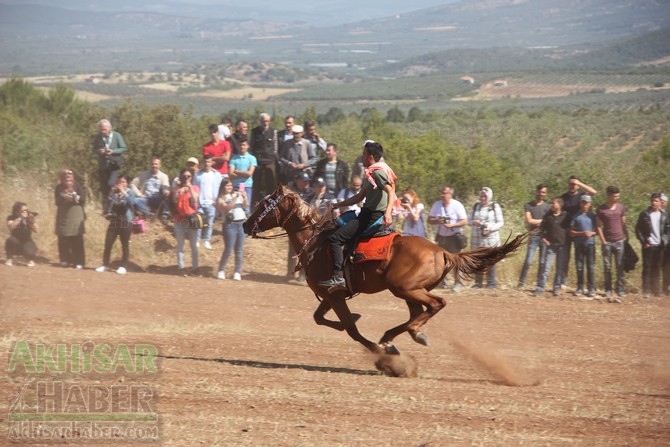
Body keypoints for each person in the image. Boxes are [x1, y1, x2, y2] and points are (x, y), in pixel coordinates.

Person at [319, 141, 397, 289]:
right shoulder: (372, 172)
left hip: (370, 217)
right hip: (365, 213)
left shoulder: (377, 173)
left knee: (335, 239)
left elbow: (390, 191)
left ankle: (338, 277)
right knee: (341, 223)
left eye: (364, 154)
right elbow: (359, 198)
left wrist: (388, 213)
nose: (362, 157)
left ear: (371, 157)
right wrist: (337, 205)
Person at [428, 185, 468, 292]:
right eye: (441, 192)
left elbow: (464, 221)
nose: (442, 195)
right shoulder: (437, 205)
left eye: (444, 193)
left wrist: (452, 225)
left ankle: (458, 283)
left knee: (456, 261)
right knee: (441, 261)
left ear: (450, 194)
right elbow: (429, 220)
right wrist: (437, 221)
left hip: (454, 237)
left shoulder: (457, 205)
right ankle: (442, 282)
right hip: (441, 237)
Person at [559, 175, 597, 288]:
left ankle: (584, 285)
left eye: (574, 184)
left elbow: (594, 192)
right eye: (570, 183)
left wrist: (579, 183)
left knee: (580, 259)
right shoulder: (563, 197)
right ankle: (563, 281)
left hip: (579, 232)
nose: (572, 186)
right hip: (566, 230)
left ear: (578, 186)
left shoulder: (582, 196)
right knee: (565, 257)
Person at [95, 176, 136, 275]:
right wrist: (111, 193)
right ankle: (105, 264)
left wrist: (124, 193)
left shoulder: (130, 192)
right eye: (119, 182)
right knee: (108, 243)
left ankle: (123, 266)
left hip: (125, 221)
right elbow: (108, 204)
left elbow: (132, 203)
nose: (121, 184)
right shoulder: (115, 193)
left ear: (127, 183)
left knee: (124, 244)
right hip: (114, 221)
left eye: (123, 182)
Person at [595, 185, 627, 299]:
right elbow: (598, 226)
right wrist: (603, 240)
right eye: (614, 196)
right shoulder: (601, 209)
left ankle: (620, 289)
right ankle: (608, 289)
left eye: (618, 196)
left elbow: (623, 223)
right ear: (608, 196)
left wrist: (625, 238)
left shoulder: (621, 207)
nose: (617, 198)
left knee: (620, 266)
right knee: (607, 267)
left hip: (619, 241)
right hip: (607, 242)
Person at [469, 187, 504, 289]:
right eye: (481, 196)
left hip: (491, 238)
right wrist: (474, 222)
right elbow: (469, 220)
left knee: (491, 260)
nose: (483, 198)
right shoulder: (476, 206)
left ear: (489, 196)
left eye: (485, 196)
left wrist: (491, 227)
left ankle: (491, 284)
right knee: (478, 260)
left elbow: (501, 222)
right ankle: (478, 283)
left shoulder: (495, 206)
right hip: (477, 238)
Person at [533, 197, 569, 297]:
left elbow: (570, 228)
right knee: (546, 268)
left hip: (562, 245)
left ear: (560, 205)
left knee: (560, 268)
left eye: (553, 203)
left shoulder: (566, 216)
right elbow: (541, 229)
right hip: (551, 246)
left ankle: (556, 288)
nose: (551, 205)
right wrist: (543, 238)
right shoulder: (547, 216)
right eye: (551, 203)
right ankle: (540, 288)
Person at [518, 183, 550, 289]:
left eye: (544, 192)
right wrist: (543, 221)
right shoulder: (529, 205)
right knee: (529, 260)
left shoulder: (548, 207)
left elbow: (549, 221)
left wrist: (539, 222)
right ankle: (521, 282)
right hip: (534, 236)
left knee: (542, 262)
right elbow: (529, 220)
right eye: (540, 191)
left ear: (546, 193)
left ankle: (539, 284)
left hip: (544, 237)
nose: (541, 194)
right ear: (536, 191)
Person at [635, 192, 668, 298]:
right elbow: (638, 230)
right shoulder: (644, 214)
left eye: (656, 201)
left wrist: (665, 241)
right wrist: (644, 241)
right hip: (648, 245)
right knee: (647, 267)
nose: (654, 203)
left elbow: (667, 230)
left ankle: (656, 290)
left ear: (660, 202)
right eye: (652, 201)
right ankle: (646, 290)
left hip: (660, 245)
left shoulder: (664, 215)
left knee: (657, 268)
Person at [216, 178, 249, 281]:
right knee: (228, 249)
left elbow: (245, 205)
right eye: (227, 185)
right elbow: (226, 208)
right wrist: (235, 197)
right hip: (230, 225)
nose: (229, 187)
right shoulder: (221, 198)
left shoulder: (236, 195)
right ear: (222, 187)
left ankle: (237, 272)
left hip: (241, 223)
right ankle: (221, 270)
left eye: (230, 185)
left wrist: (244, 197)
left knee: (239, 250)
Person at [54, 169, 86, 269]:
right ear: (61, 176)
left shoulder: (78, 186)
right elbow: (57, 202)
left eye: (70, 173)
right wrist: (64, 198)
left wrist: (77, 198)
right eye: (65, 174)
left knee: (77, 238)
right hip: (64, 214)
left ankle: (79, 261)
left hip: (76, 214)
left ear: (73, 176)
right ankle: (65, 259)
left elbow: (83, 200)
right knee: (63, 238)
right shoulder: (58, 187)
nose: (68, 175)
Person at [172, 167, 200, 276]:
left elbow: (195, 200)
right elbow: (174, 200)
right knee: (180, 245)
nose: (186, 178)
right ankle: (181, 267)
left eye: (189, 176)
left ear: (192, 177)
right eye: (184, 176)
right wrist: (180, 191)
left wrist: (190, 189)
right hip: (179, 220)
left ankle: (195, 267)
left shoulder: (195, 188)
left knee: (193, 245)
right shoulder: (177, 188)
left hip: (191, 220)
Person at [287, 172, 314, 284]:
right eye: (304, 181)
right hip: (293, 227)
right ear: (298, 181)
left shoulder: (311, 193)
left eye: (307, 181)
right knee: (292, 251)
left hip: (305, 227)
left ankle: (303, 274)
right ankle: (290, 272)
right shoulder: (292, 193)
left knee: (305, 251)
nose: (306, 183)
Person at [570, 195, 597, 298]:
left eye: (586, 203)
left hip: (590, 244)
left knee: (590, 267)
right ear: (580, 203)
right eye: (582, 202)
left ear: (590, 204)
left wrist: (591, 233)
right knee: (579, 267)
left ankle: (591, 288)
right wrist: (582, 233)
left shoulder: (593, 216)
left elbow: (598, 230)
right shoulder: (576, 216)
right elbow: (571, 232)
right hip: (579, 244)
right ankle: (580, 287)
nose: (584, 205)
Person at [92, 119, 127, 199]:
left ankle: (116, 201)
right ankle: (107, 207)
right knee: (103, 188)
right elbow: (94, 150)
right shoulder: (98, 138)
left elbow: (123, 148)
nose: (102, 131)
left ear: (109, 128)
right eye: (101, 129)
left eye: (104, 129)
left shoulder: (116, 135)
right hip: (103, 166)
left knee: (111, 184)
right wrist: (99, 151)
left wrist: (113, 151)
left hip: (115, 166)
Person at [194, 154, 223, 250]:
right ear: (203, 162)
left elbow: (221, 189)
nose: (207, 164)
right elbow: (194, 188)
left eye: (209, 162)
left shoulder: (217, 175)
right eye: (205, 162)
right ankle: (197, 240)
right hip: (200, 202)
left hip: (212, 203)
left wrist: (217, 201)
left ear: (212, 163)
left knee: (210, 223)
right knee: (199, 222)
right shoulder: (198, 175)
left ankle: (206, 240)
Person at [249, 112, 278, 206]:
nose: (265, 123)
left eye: (267, 121)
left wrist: (273, 156)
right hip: (258, 159)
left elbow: (275, 147)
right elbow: (251, 146)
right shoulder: (254, 132)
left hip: (269, 159)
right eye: (263, 121)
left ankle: (272, 202)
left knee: (272, 181)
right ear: (260, 121)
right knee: (257, 183)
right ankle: (256, 203)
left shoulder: (273, 131)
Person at [5, 202, 38, 267]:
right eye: (24, 210)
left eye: (27, 210)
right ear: (18, 211)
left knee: (31, 252)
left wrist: (31, 221)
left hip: (27, 241)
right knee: (10, 240)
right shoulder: (11, 217)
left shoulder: (28, 218)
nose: (26, 212)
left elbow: (36, 230)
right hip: (15, 240)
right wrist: (20, 218)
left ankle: (29, 259)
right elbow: (11, 227)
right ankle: (9, 258)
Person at [229, 137, 257, 214]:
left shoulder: (252, 158)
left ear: (247, 146)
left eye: (244, 145)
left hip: (246, 186)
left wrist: (236, 171)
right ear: (238, 146)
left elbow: (249, 174)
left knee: (246, 209)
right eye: (240, 145)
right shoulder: (234, 159)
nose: (242, 147)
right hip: (235, 187)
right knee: (235, 208)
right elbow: (231, 174)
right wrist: (243, 174)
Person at [660, 193, 670, 297]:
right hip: (657, 245)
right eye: (660, 201)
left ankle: (666, 287)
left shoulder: (668, 214)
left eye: (664, 202)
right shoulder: (652, 213)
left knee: (667, 267)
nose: (662, 203)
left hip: (667, 246)